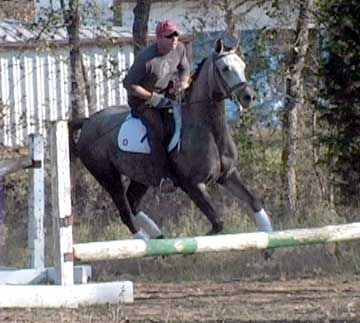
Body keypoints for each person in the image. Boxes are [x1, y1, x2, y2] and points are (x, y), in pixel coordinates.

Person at [123, 20, 190, 193]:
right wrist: (152, 98)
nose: (174, 39)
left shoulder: (180, 49)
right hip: (142, 102)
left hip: (166, 95)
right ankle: (162, 176)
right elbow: (129, 84)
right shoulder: (146, 59)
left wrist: (182, 84)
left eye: (176, 34)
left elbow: (185, 69)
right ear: (159, 38)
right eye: (169, 36)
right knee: (158, 128)